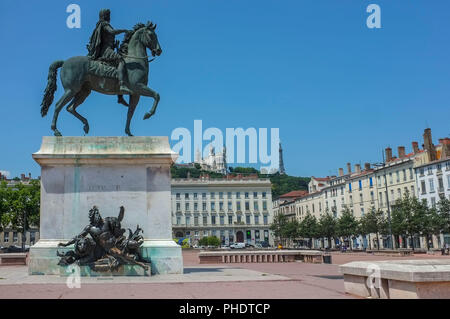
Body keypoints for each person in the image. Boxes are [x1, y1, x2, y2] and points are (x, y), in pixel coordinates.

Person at [87, 9, 132, 106]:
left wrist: (114, 45)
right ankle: (122, 85)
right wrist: (124, 30)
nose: (110, 17)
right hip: (106, 51)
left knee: (117, 67)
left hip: (109, 48)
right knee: (121, 61)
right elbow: (112, 32)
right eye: (108, 15)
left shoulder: (102, 24)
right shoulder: (104, 24)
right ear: (105, 16)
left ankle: (120, 97)